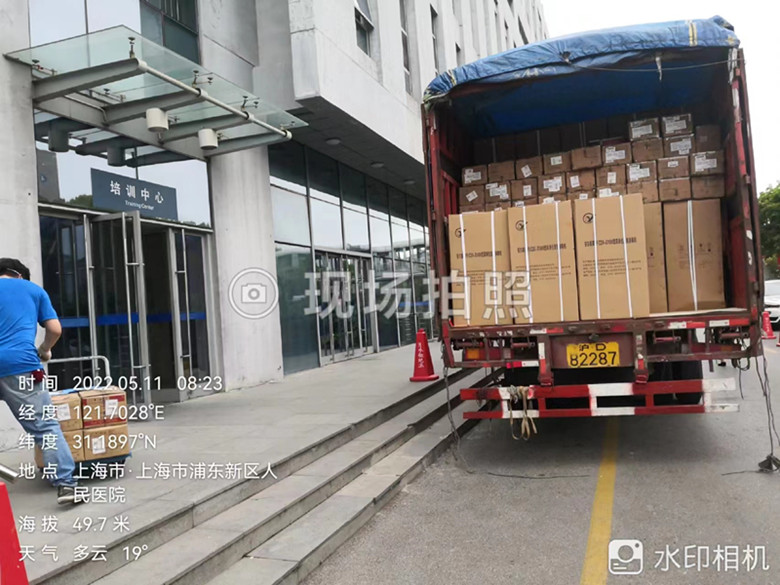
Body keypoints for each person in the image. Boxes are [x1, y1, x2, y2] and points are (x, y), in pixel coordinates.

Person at [0, 258, 80, 505]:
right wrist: (44, 349)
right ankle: (66, 486)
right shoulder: (33, 290)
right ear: (19, 275)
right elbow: (54, 329)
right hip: (21, 366)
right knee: (45, 427)